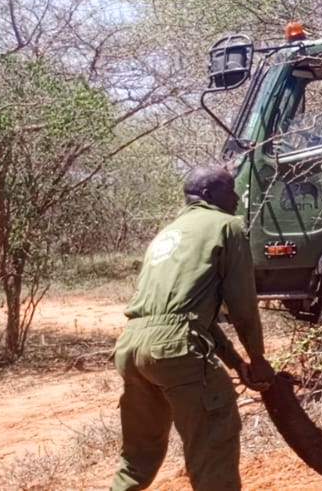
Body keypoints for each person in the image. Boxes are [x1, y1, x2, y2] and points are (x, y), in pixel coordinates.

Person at [112, 165, 273, 491]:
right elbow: (242, 305)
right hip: (175, 349)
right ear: (208, 194)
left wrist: (235, 363)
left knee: (137, 458)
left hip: (130, 347)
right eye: (230, 189)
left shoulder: (168, 232)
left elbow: (182, 314)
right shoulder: (228, 227)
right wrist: (257, 358)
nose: (238, 197)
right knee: (214, 439)